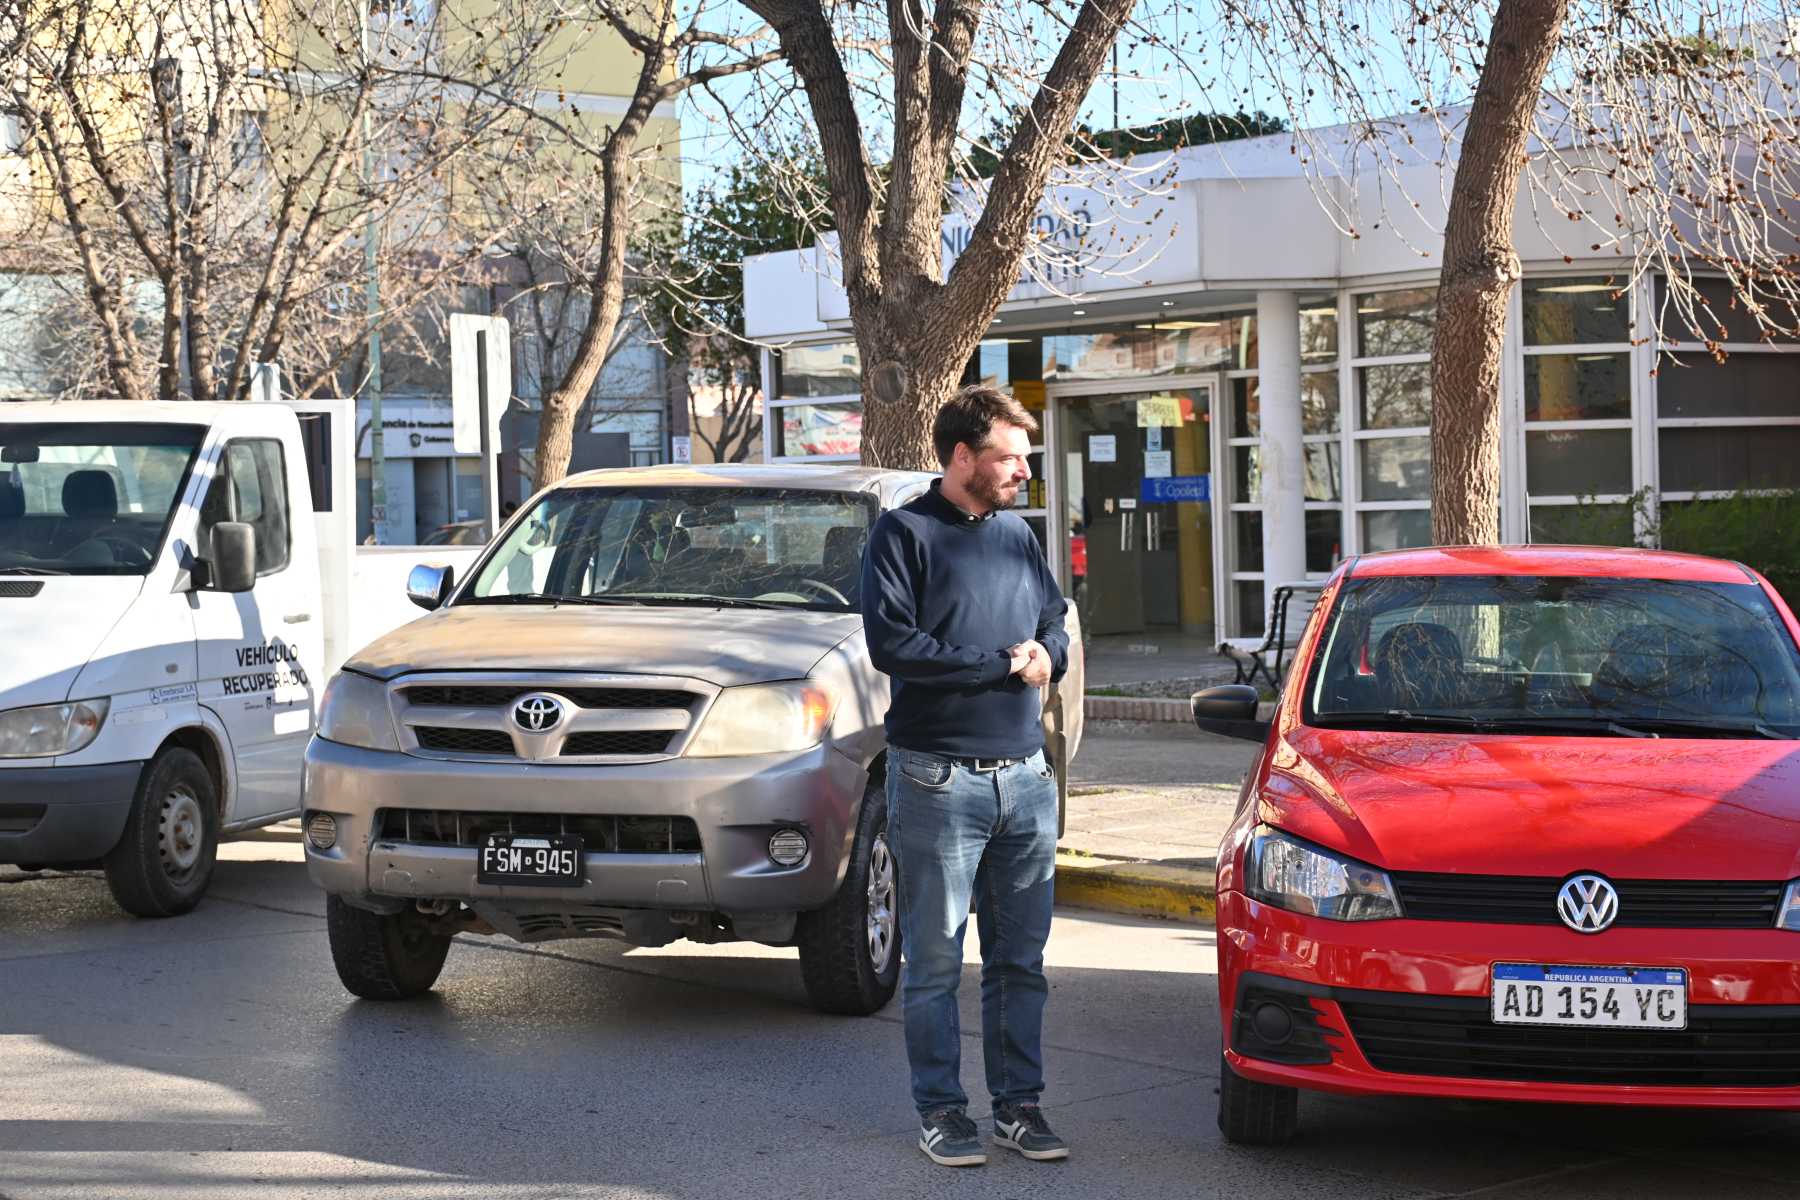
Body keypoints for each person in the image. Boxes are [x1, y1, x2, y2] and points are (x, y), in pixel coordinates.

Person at [861, 384, 1072, 1168]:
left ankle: (1018, 1106)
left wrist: (1048, 652)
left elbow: (1054, 618)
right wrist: (999, 666)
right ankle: (944, 1112)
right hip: (937, 781)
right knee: (937, 961)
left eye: (1025, 457)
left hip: (1026, 780)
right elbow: (896, 646)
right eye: (1009, 457)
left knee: (1021, 961)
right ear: (961, 457)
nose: (1023, 471)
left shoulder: (1018, 535)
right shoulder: (903, 535)